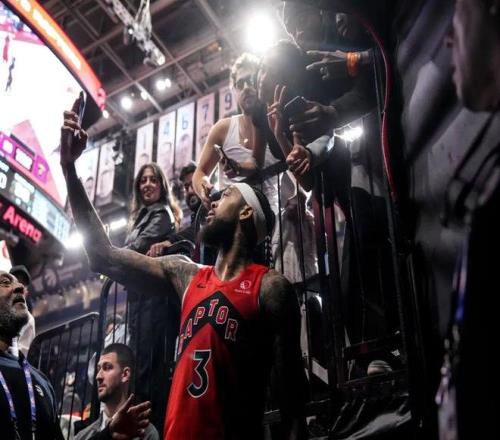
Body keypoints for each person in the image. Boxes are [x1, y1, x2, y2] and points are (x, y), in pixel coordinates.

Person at [60, 96, 307, 439]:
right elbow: (103, 255)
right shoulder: (185, 274)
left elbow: (292, 401)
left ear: (246, 212)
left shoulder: (270, 287)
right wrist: (70, 170)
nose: (213, 200)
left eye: (225, 196)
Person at [0, 270, 151, 440]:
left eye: (17, 282)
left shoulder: (40, 382)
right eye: (5, 282)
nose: (20, 287)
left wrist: (108, 435)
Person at [124, 162, 182, 430]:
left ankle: (153, 428)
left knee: (150, 371)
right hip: (140, 303)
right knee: (140, 369)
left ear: (162, 186)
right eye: (143, 180)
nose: (147, 184)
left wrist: (113, 254)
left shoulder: (161, 213)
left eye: (153, 180)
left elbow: (135, 248)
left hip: (154, 305)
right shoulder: (140, 218)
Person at [192, 53, 278, 213]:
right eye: (240, 84)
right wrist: (204, 187)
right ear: (234, 90)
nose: (246, 87)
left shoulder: (276, 122)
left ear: (260, 81)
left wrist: (299, 196)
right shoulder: (222, 129)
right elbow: (200, 172)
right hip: (231, 219)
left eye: (251, 80)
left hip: (272, 218)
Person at [76, 344, 158, 440]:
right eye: (98, 369)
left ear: (125, 374)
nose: (98, 376)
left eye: (107, 367)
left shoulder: (145, 433)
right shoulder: (82, 436)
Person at [147, 162, 200, 258]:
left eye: (193, 185)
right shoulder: (196, 216)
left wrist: (170, 241)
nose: (190, 191)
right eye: (186, 187)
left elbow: (199, 229)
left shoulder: (214, 205)